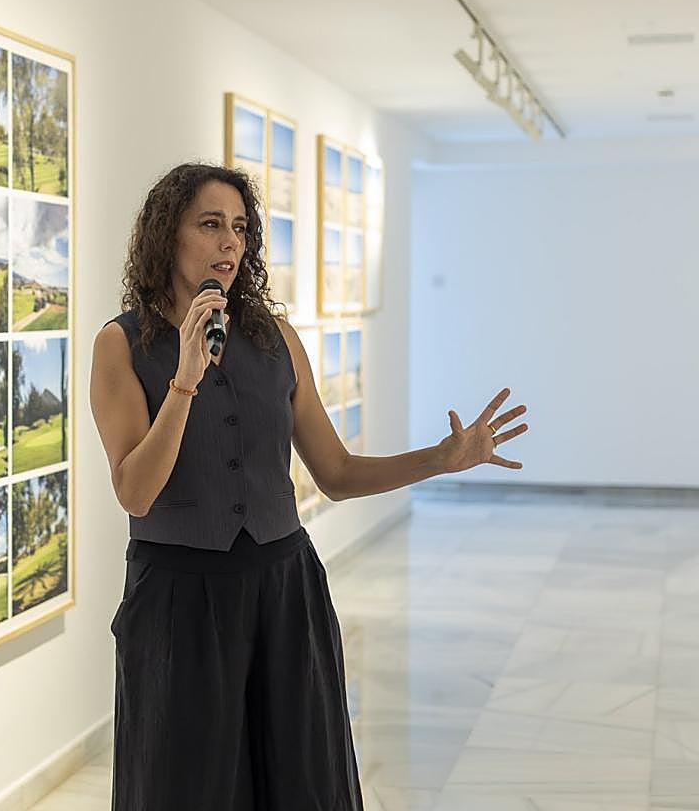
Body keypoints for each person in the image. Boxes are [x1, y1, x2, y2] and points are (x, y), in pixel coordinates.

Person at [89, 162, 528, 810]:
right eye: (210, 225)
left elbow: (338, 473)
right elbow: (135, 492)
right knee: (184, 784)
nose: (229, 243)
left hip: (283, 589)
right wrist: (184, 379)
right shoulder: (120, 346)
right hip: (179, 602)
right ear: (166, 236)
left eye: (239, 228)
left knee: (298, 782)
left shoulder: (275, 339)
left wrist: (441, 458)